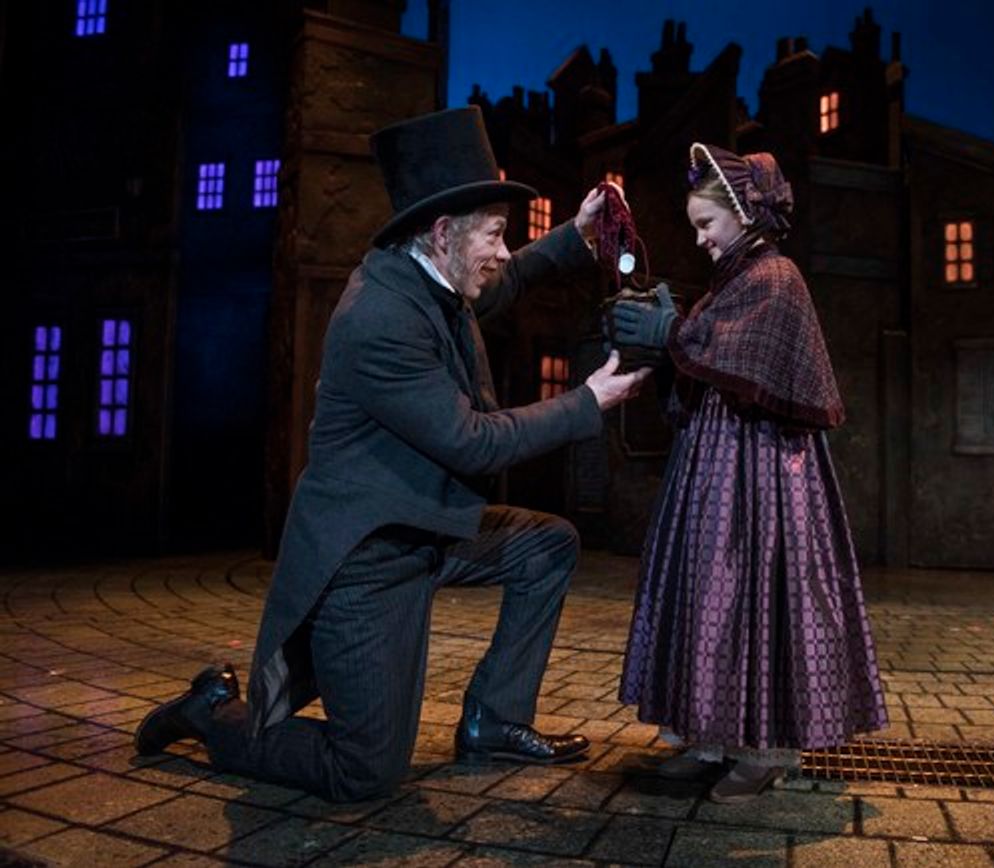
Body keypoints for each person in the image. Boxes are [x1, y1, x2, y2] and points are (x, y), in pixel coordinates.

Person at [134, 107, 650, 802]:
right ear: (442, 234)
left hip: (426, 529)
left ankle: (493, 720)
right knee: (365, 770)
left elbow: (501, 285)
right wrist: (588, 400)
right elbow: (472, 439)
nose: (503, 250)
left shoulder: (431, 279)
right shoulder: (379, 319)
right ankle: (214, 715)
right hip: (367, 561)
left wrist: (575, 236)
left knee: (547, 546)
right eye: (495, 235)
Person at [612, 143, 888, 803]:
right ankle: (706, 737)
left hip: (761, 468)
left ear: (742, 213)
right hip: (714, 460)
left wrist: (673, 332)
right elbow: (703, 353)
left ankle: (764, 749)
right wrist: (670, 335)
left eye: (707, 224)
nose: (700, 239)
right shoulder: (731, 281)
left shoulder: (775, 276)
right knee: (707, 587)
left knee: (755, 588)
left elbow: (745, 359)